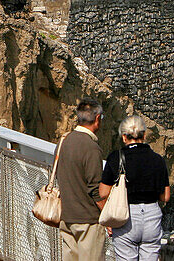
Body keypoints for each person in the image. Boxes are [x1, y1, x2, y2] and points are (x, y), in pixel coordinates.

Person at [100, 115, 170, 261]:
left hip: (125, 215)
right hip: (152, 216)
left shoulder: (116, 158)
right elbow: (165, 197)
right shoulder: (158, 159)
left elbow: (103, 192)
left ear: (124, 137)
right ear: (144, 135)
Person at [55, 98, 106, 261]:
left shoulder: (64, 141)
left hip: (67, 216)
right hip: (87, 220)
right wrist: (107, 217)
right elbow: (95, 189)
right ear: (97, 119)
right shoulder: (91, 148)